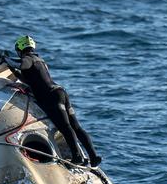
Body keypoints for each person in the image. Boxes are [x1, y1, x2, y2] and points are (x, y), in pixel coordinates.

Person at [13, 35, 101, 166]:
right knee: (75, 126)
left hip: (51, 97)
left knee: (65, 127)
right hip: (61, 92)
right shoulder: (40, 61)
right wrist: (13, 72)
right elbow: (31, 79)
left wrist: (6, 60)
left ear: (20, 49)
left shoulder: (28, 58)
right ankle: (94, 157)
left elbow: (22, 65)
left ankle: (77, 157)